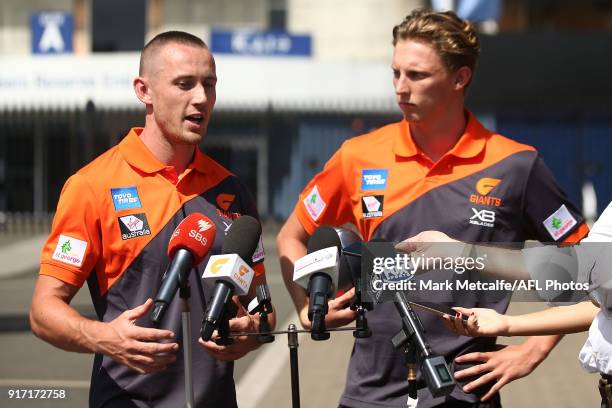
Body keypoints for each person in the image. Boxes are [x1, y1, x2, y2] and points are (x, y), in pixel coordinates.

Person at [276, 8, 589, 408]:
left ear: (460, 78)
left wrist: (532, 349)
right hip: (370, 391)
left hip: (466, 391)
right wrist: (305, 307)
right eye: (395, 73)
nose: (400, 88)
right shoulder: (358, 155)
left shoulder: (517, 165)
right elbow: (291, 235)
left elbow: (584, 266)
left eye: (417, 75)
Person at [29, 31, 273, 408]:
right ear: (144, 90)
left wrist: (252, 331)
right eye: (184, 84)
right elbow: (44, 310)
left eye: (209, 84)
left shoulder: (233, 190)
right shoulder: (91, 186)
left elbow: (262, 307)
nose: (201, 98)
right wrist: (104, 337)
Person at [401, 201, 612, 407]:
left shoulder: (517, 168)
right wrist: (508, 324)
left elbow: (584, 270)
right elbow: (599, 298)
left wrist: (457, 252)